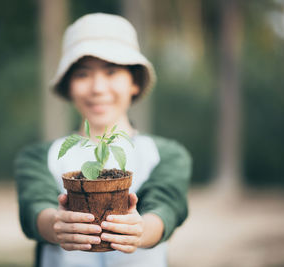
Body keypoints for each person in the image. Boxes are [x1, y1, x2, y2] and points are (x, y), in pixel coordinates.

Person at [15, 13, 192, 267]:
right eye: (83, 74)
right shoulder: (39, 157)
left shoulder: (167, 155)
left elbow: (166, 207)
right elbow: (35, 206)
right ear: (68, 85)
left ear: (134, 82)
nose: (98, 88)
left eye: (112, 72)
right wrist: (57, 225)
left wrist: (140, 231)